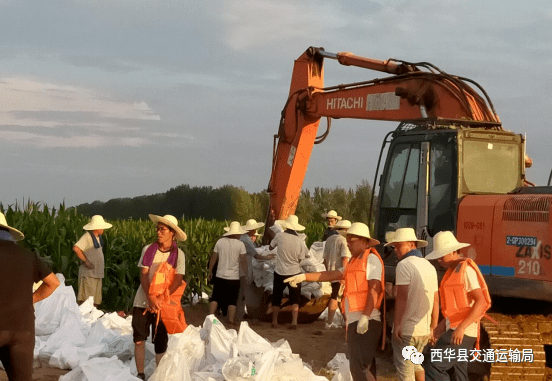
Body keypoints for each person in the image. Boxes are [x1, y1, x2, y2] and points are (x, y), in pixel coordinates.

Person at [285, 222, 384, 381]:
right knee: (361, 365)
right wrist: (304, 277)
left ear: (364, 241)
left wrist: (365, 316)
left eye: (352, 240)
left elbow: (375, 289)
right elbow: (331, 275)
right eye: (348, 240)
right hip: (354, 319)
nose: (348, 243)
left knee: (360, 367)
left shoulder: (371, 260)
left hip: (367, 320)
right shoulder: (353, 262)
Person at [424, 231, 491, 381]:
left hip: (462, 332)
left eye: (442, 255)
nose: (439, 260)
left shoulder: (466, 271)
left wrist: (461, 328)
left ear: (454, 251)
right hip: (454, 330)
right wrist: (437, 331)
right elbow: (453, 312)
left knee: (433, 365)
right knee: (459, 373)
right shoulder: (452, 272)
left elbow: (481, 302)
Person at [0, 212, 60, 381]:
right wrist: (31, 299)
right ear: (9, 233)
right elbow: (53, 282)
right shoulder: (27, 255)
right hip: (22, 329)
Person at [132, 214, 187, 381]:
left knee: (160, 342)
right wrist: (150, 297)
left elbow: (178, 279)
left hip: (163, 304)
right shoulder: (148, 250)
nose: (158, 232)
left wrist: (161, 299)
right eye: (158, 228)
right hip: (143, 300)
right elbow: (144, 275)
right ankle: (140, 374)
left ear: (172, 233)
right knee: (139, 339)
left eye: (162, 229)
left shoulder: (179, 255)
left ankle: (159, 375)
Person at [385, 228, 438, 381]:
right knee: (416, 364)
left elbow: (402, 298)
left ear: (411, 244)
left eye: (398, 246)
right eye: (394, 247)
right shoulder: (430, 266)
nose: (395, 250)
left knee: (405, 372)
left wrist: (397, 324)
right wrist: (433, 325)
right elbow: (435, 298)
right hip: (423, 331)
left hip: (408, 330)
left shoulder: (404, 265)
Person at [269, 215, 309, 329]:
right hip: (294, 273)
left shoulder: (279, 236)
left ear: (286, 225)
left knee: (276, 297)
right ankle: (294, 322)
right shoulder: (300, 241)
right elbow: (303, 256)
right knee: (295, 299)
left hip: (279, 272)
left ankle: (274, 321)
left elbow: (270, 248)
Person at [208, 221, 247, 327]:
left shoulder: (220, 242)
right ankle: (230, 321)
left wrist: (210, 270)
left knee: (215, 297)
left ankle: (210, 317)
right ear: (238, 233)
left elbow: (214, 257)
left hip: (220, 275)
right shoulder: (240, 244)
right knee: (232, 300)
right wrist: (246, 273)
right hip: (234, 277)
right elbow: (243, 260)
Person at [235, 219, 275, 322]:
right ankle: (239, 316)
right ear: (252, 230)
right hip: (244, 268)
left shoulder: (242, 238)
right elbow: (256, 255)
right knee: (242, 293)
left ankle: (240, 313)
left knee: (241, 292)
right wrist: (269, 257)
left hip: (240, 267)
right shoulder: (246, 240)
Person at [73, 215, 112, 307]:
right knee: (86, 301)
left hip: (97, 274)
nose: (103, 229)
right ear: (96, 227)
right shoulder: (87, 237)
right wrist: (86, 262)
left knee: (95, 301)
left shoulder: (98, 238)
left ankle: (92, 319)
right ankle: (83, 319)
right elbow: (76, 248)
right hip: (89, 274)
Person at [322, 219, 352, 328]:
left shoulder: (329, 239)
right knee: (335, 297)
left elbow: (324, 259)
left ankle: (346, 321)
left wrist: (328, 272)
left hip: (331, 273)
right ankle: (330, 322)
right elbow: (345, 258)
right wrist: (344, 276)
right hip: (340, 274)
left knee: (340, 298)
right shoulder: (344, 241)